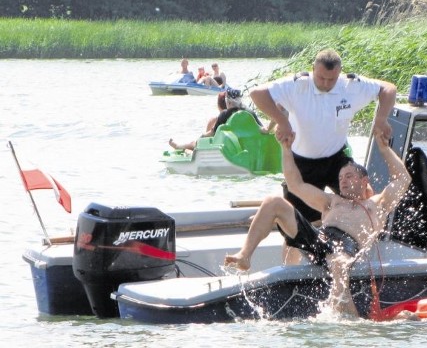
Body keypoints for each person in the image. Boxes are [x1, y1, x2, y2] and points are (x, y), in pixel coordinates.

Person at [224, 130, 411, 317]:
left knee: (338, 261)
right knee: (273, 201)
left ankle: (347, 318)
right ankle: (245, 255)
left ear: (364, 181)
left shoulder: (378, 205)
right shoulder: (331, 201)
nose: (342, 181)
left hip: (347, 247)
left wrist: (385, 149)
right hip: (320, 238)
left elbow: (403, 179)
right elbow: (295, 184)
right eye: (340, 178)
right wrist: (286, 149)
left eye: (348, 176)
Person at [249, 49, 397, 261]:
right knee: (295, 225)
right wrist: (282, 121)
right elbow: (257, 93)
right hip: (304, 162)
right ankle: (290, 271)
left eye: (331, 79)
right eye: (321, 78)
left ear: (340, 74)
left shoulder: (350, 86)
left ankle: (362, 257)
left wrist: (382, 118)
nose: (326, 83)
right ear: (313, 71)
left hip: (336, 158)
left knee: (365, 197)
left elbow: (389, 89)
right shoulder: (298, 86)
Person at [168, 89, 263, 151]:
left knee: (196, 143)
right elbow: (261, 129)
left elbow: (212, 133)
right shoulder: (250, 112)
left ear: (228, 101)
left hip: (228, 149)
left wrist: (201, 137)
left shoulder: (225, 114)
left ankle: (179, 147)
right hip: (249, 147)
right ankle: (181, 147)